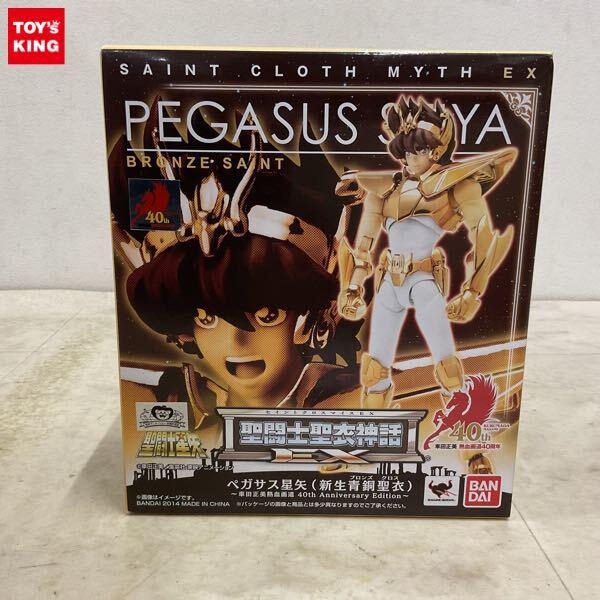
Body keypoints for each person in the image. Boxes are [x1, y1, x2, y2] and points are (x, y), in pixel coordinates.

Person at [336, 95, 516, 409]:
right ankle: (371, 430)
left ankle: (466, 428)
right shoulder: (385, 189)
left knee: (446, 364)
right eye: (404, 150)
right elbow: (364, 244)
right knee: (374, 368)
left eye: (417, 149)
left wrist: (472, 291)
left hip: (423, 281)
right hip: (388, 284)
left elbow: (482, 235)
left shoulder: (456, 186)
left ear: (436, 150)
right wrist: (352, 286)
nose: (409, 157)